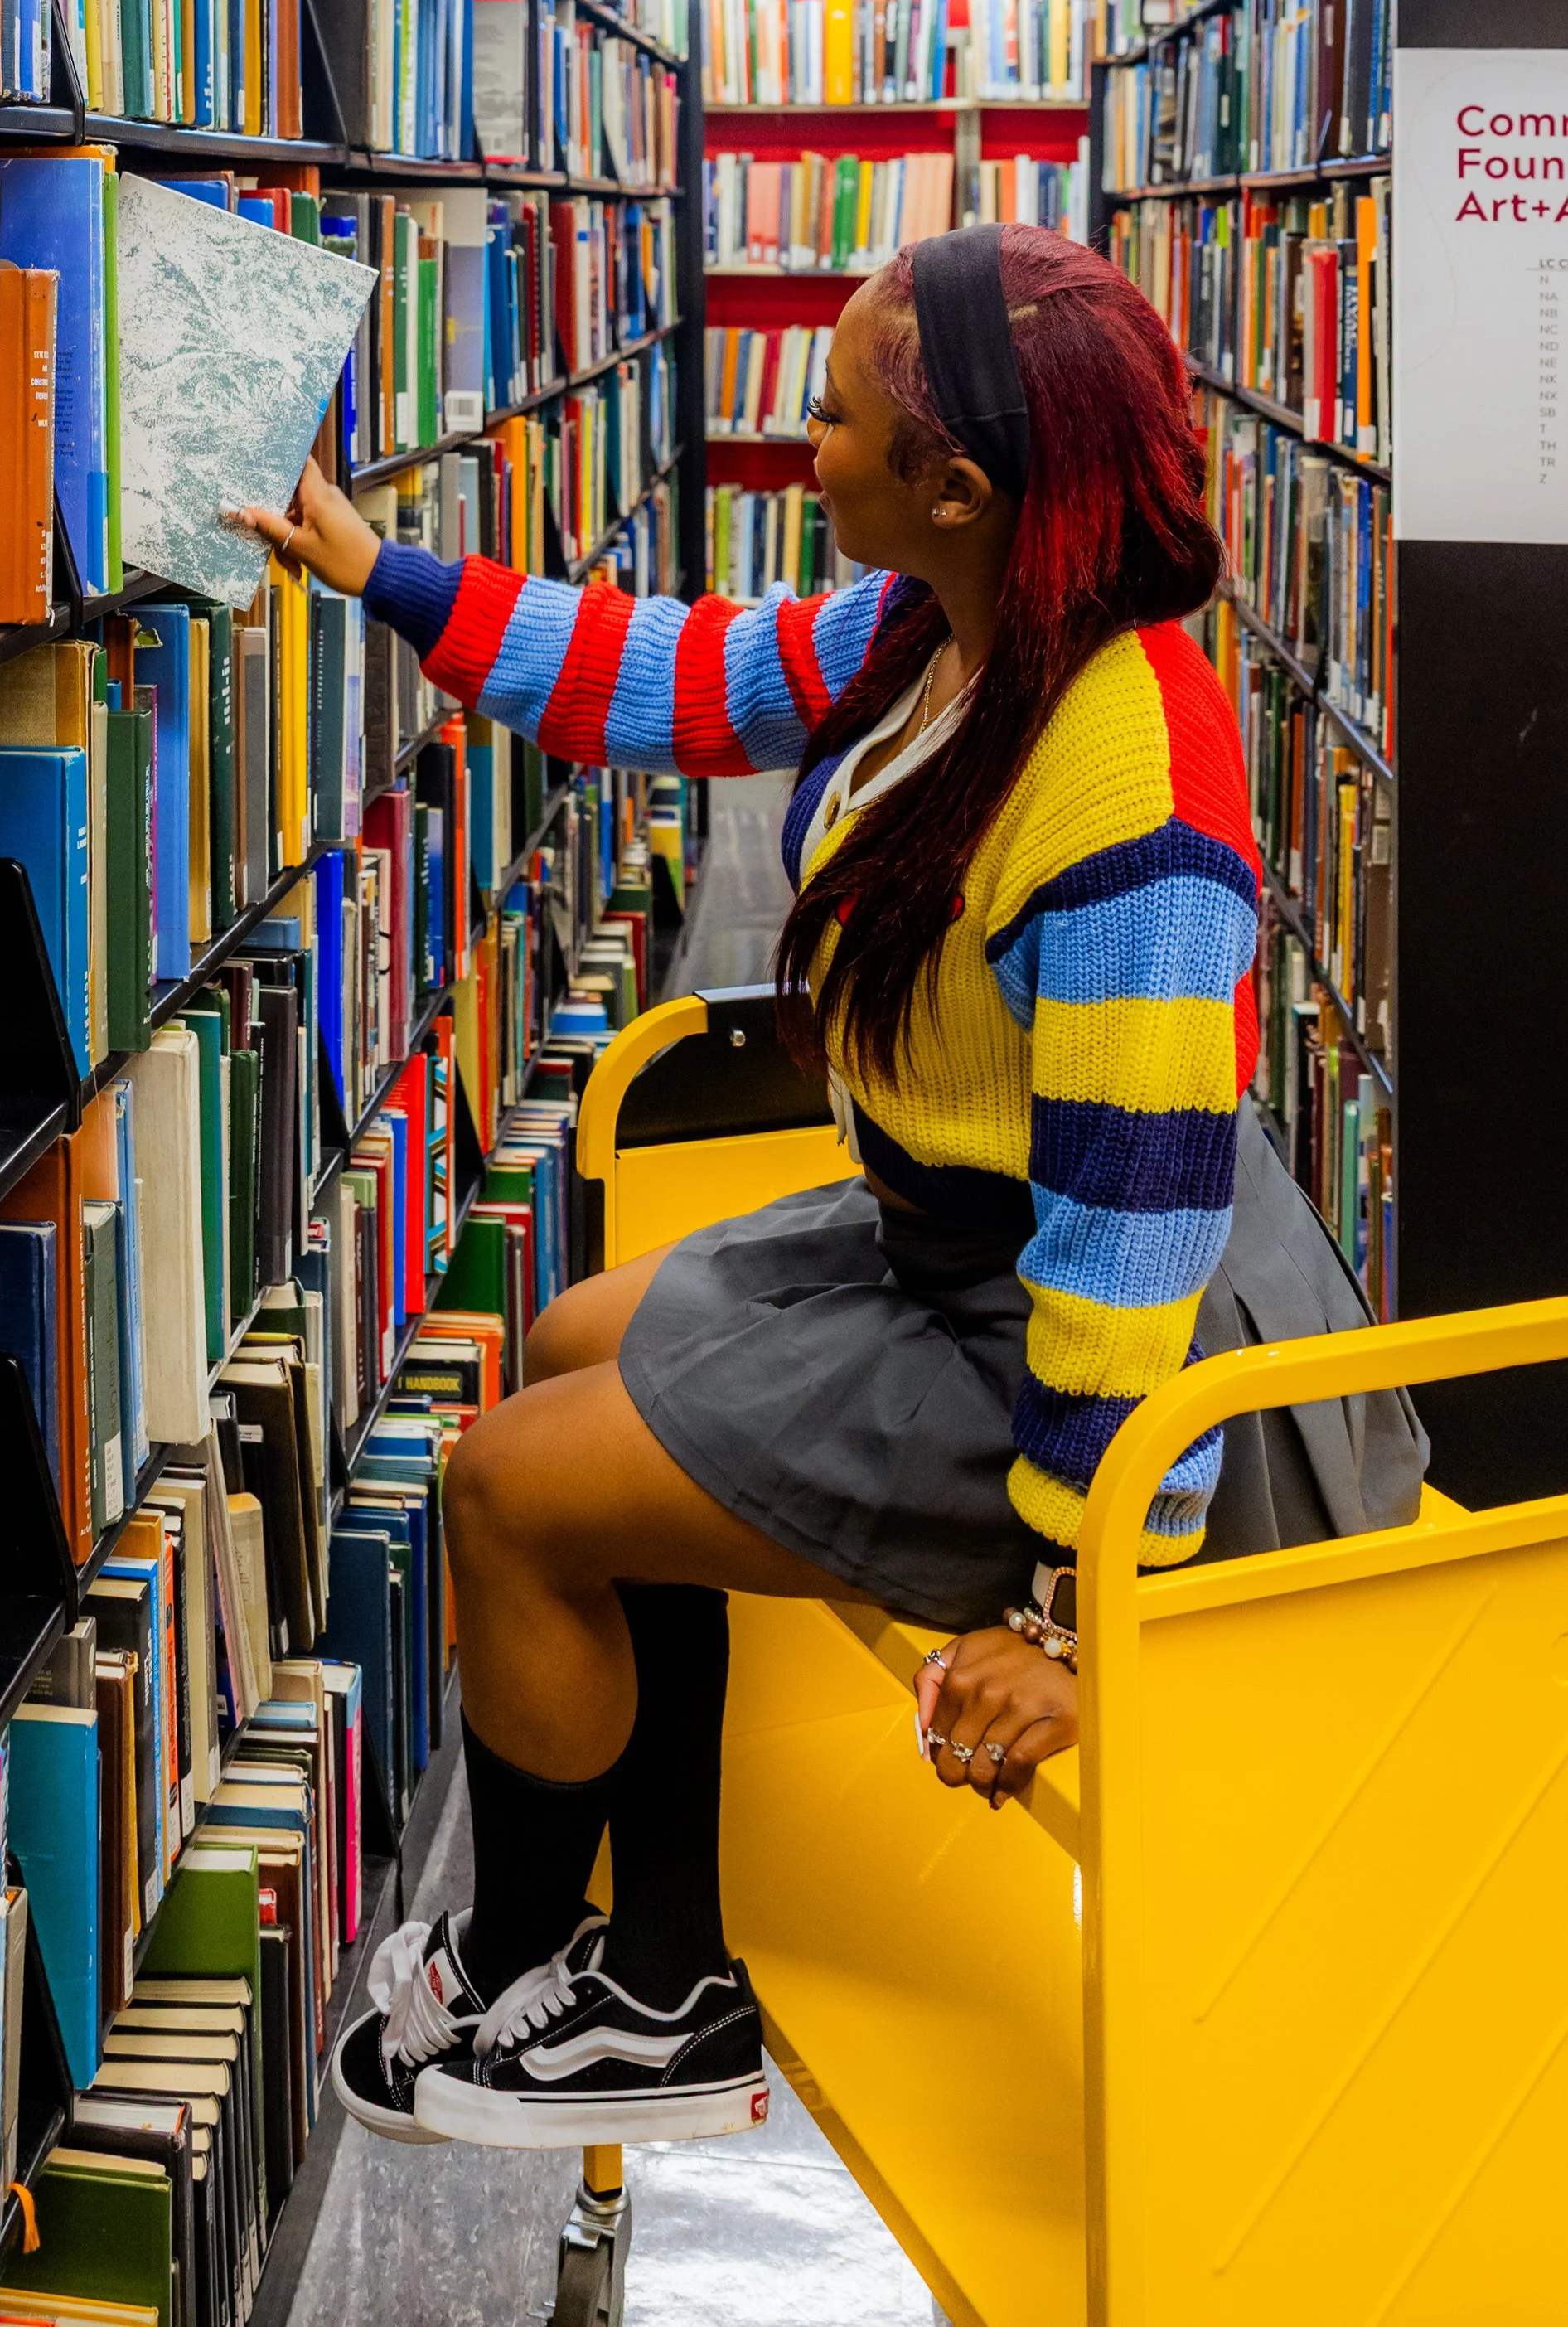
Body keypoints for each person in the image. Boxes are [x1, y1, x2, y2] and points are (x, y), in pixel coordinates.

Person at [234, 222, 1426, 2153]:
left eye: (836, 415)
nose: (801, 446)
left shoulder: (1128, 787)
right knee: (560, 1346)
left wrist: (1066, 1614)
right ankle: (657, 1949)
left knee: (505, 1487)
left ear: (954, 484)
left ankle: (590, 1969)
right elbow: (682, 680)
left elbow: (1132, 1232)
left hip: (1092, 1354)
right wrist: (384, 569)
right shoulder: (946, 624)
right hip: (945, 1243)